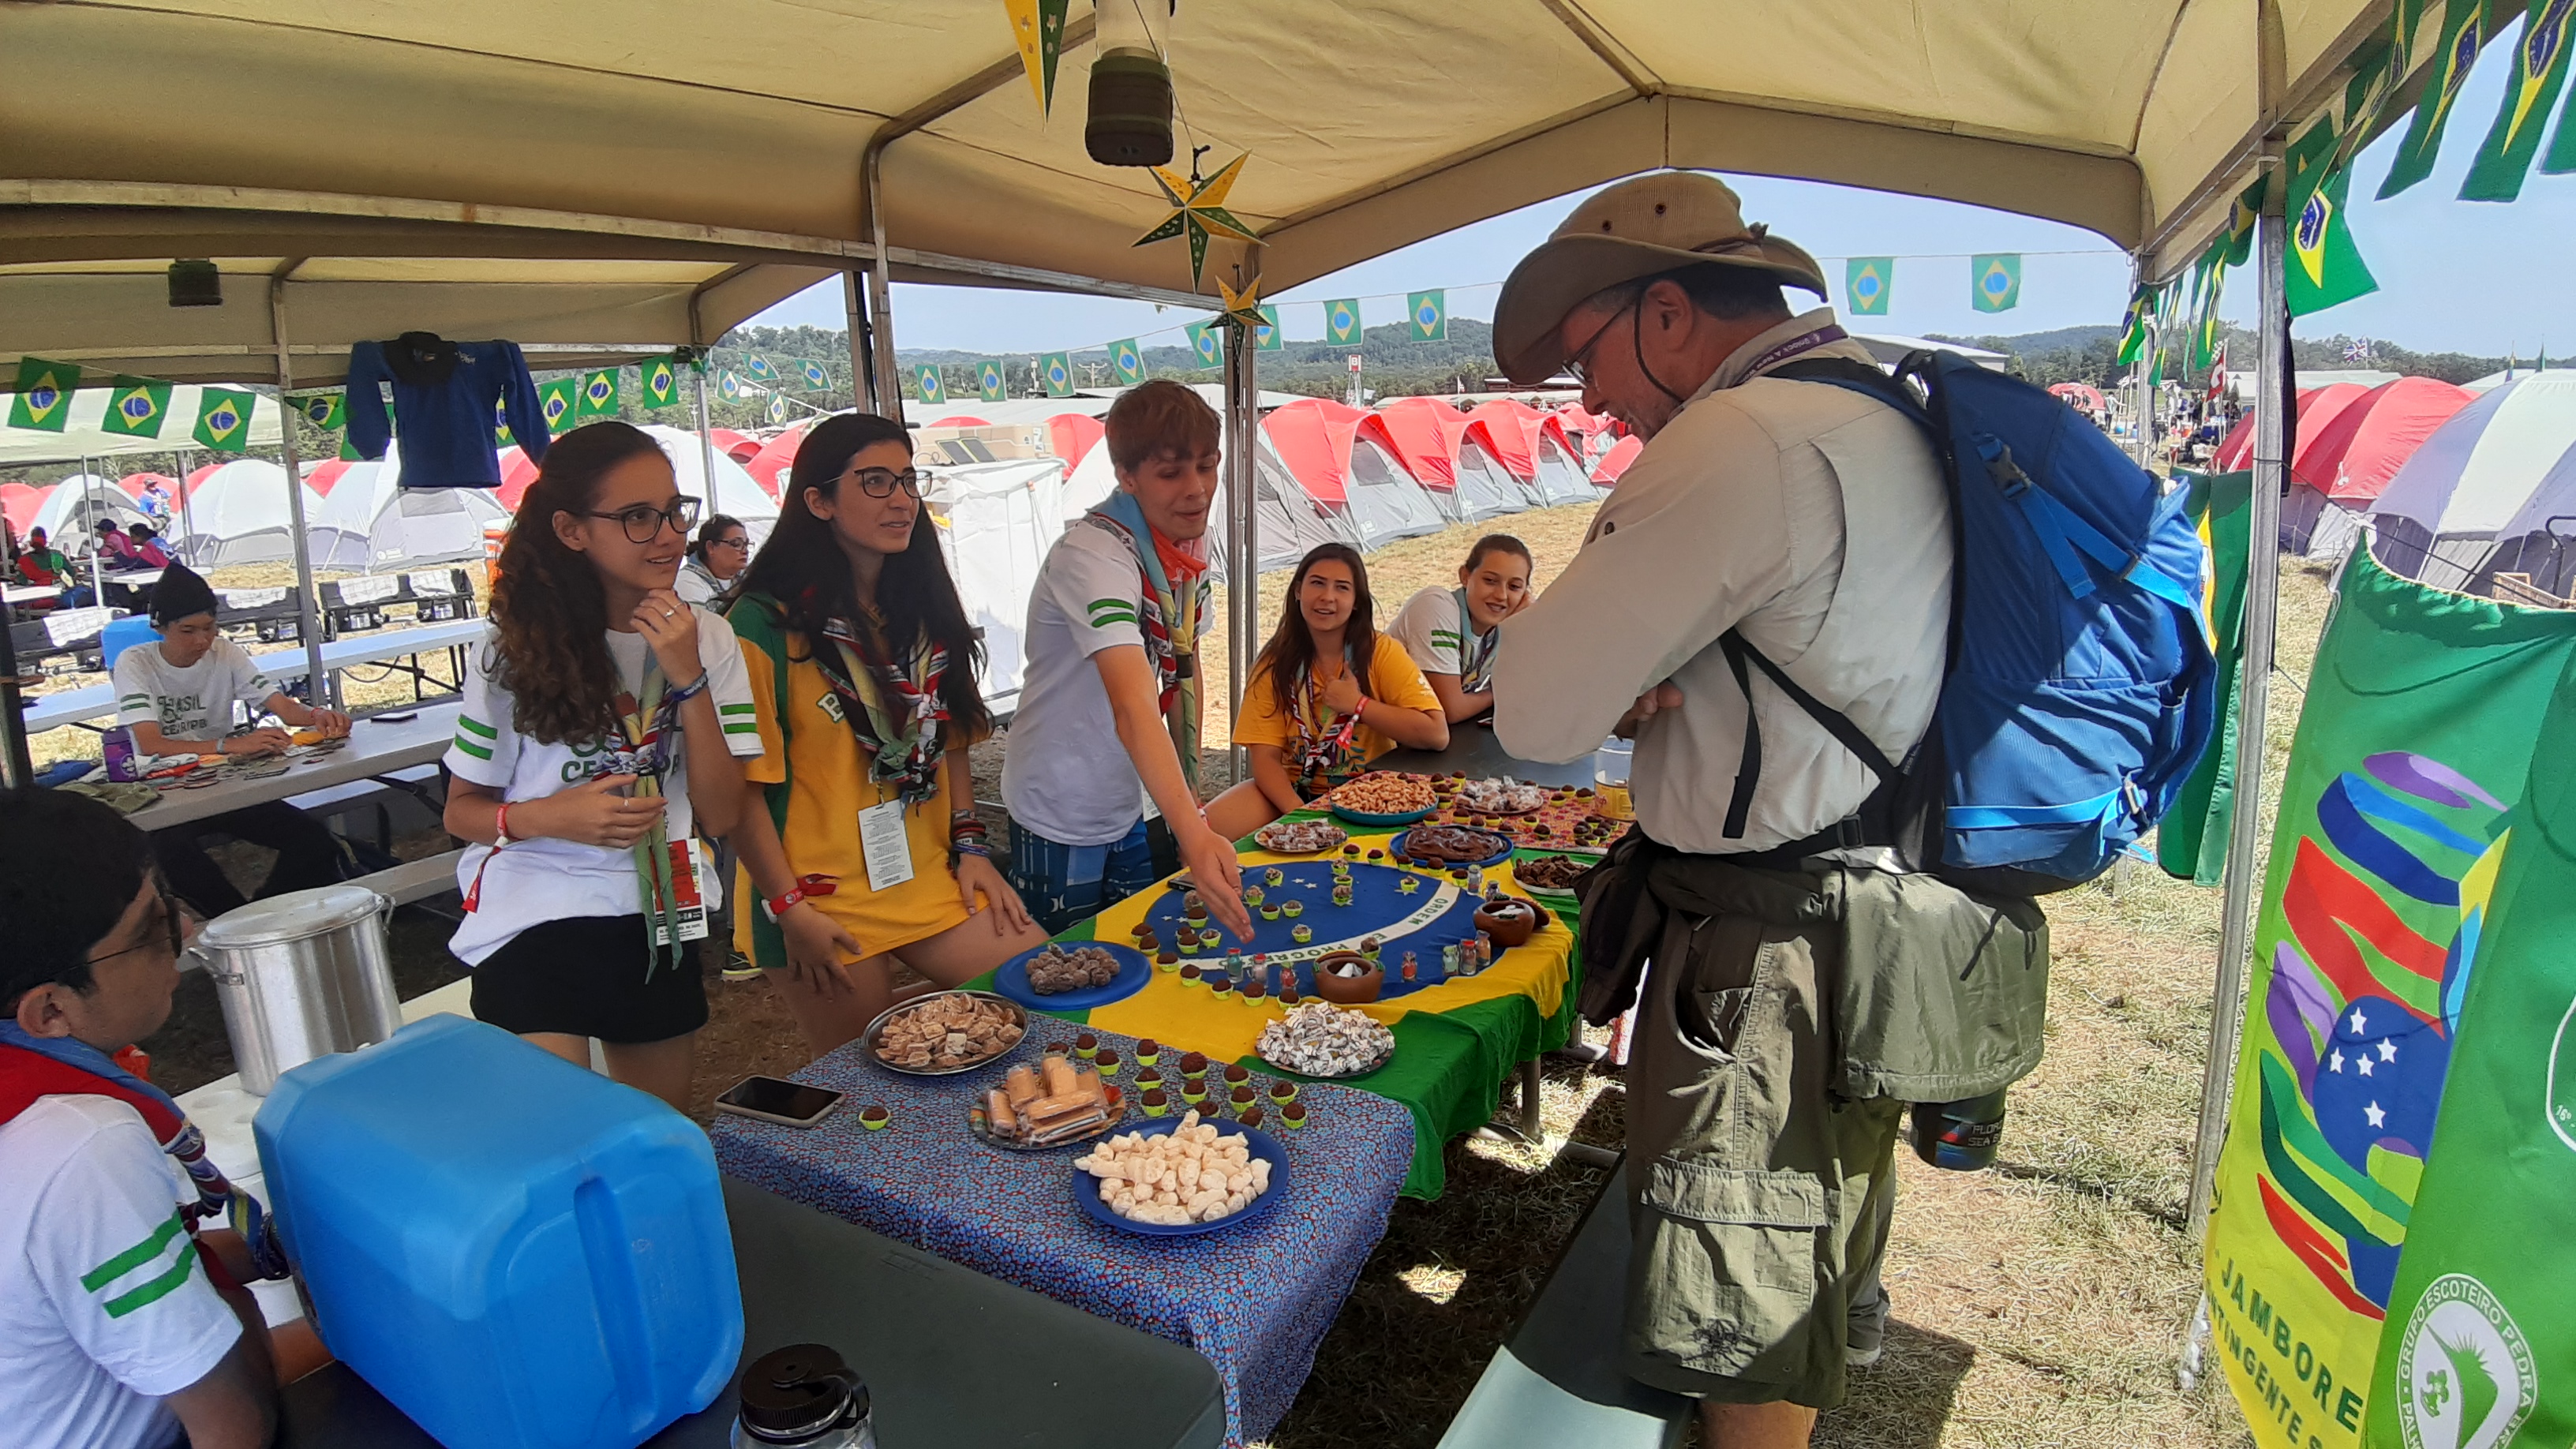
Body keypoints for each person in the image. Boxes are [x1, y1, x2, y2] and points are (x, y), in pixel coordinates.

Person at [1487, 172, 1960, 1447]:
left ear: (1664, 313)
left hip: (1766, 952)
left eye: (1587, 358)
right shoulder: (1875, 407)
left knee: (1734, 1289)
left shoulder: (1734, 438)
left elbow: (1528, 710)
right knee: (1804, 1229)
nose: (1589, 400)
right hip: (1877, 900)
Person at [440, 421, 757, 1112]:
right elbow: (461, 811)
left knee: (659, 1134)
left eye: (675, 511)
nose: (669, 534)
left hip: (656, 903)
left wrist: (689, 679)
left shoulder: (707, 636)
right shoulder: (510, 647)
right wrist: (552, 817)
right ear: (571, 529)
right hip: (534, 907)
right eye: (637, 518)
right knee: (567, 1134)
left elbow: (724, 813)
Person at [724, 414, 1050, 1053]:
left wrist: (971, 845)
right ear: (816, 500)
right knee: (873, 1075)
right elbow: (741, 793)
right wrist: (789, 909)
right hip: (817, 895)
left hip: (926, 876)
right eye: (875, 481)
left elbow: (952, 735)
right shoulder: (759, 624)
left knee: (1043, 989)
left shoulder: (918, 604)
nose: (902, 499)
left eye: (907, 479)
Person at [0, 789, 285, 1449]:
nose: (185, 932)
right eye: (152, 928)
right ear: (50, 1012)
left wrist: (285, 1243)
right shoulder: (82, 1146)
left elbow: (71, 1286)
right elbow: (230, 1423)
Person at [1000, 380, 1252, 941]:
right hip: (1060, 805)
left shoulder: (1188, 544)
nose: (1197, 490)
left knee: (1140, 948)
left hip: (1129, 798)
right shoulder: (1093, 554)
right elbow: (1132, 704)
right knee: (1065, 970)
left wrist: (1187, 789)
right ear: (1126, 476)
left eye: (1208, 467)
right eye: (1171, 474)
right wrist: (1193, 830)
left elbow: (1186, 663)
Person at [113, 564, 353, 919]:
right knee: (176, 856)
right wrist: (229, 745)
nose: (201, 641)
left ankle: (258, 920)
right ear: (161, 628)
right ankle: (237, 924)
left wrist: (318, 715)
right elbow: (149, 743)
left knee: (314, 841)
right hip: (162, 790)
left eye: (209, 628)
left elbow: (283, 708)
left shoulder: (224, 652)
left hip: (219, 781)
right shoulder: (135, 663)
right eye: (187, 630)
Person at [1207, 544, 1447, 834]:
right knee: (1200, 834)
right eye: (1317, 583)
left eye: (1342, 588)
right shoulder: (1274, 662)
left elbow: (1436, 733)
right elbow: (1265, 759)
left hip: (1367, 795)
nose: (1327, 597)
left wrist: (1358, 704)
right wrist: (1299, 816)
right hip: (1294, 791)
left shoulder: (1380, 652)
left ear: (1356, 601)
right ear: (1298, 591)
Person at [1385, 533, 1534, 724]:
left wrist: (1527, 624)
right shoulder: (1436, 606)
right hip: (1366, 736)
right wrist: (1501, 692)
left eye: (1514, 587)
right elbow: (1450, 709)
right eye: (1490, 581)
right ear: (1465, 576)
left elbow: (1540, 683)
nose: (1501, 595)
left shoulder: (1502, 627)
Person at [676, 513, 750, 606]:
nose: (745, 551)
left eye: (746, 544)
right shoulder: (687, 582)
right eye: (736, 543)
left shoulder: (747, 579)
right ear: (711, 547)